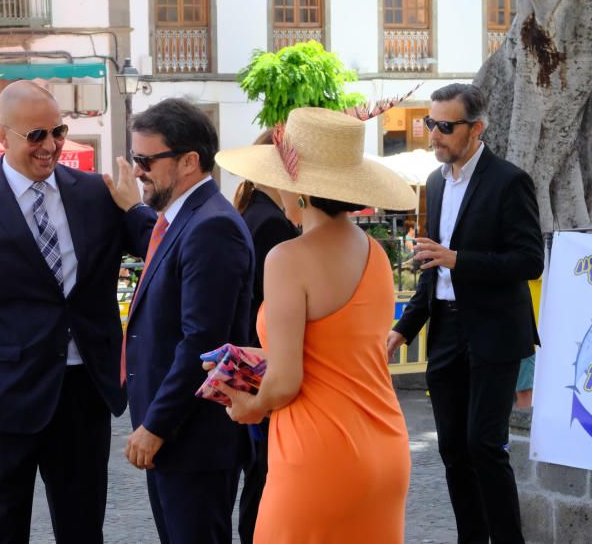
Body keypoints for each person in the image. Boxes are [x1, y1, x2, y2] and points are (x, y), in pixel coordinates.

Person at [0, 80, 155, 543]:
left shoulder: (96, 194)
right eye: (36, 136)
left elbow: (163, 253)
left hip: (83, 393)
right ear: (2, 136)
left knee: (83, 529)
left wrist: (135, 208)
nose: (50, 146)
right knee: (0, 531)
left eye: (59, 132)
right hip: (2, 401)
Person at [215, 107, 417, 543]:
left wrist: (250, 406)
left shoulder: (288, 258)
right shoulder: (376, 254)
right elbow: (341, 350)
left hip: (318, 452)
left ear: (300, 191)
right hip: (384, 445)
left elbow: (286, 381)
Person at [388, 83, 543, 544]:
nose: (433, 134)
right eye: (430, 124)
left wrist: (459, 259)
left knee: (484, 445)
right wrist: (403, 327)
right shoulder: (436, 183)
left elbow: (529, 260)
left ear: (476, 129)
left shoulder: (509, 181)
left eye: (445, 126)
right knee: (453, 449)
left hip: (495, 332)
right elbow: (435, 267)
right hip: (447, 332)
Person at [104, 98, 254, 544]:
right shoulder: (187, 218)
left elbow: (200, 342)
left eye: (146, 160)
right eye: (135, 159)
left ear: (189, 161)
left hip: (194, 437)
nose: (136, 171)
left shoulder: (211, 226)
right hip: (182, 438)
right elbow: (161, 246)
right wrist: (134, 211)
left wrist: (156, 426)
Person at [229, 130, 298, 544]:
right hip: (265, 360)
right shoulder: (270, 220)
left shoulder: (254, 210)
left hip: (253, 357)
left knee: (259, 472)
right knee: (265, 474)